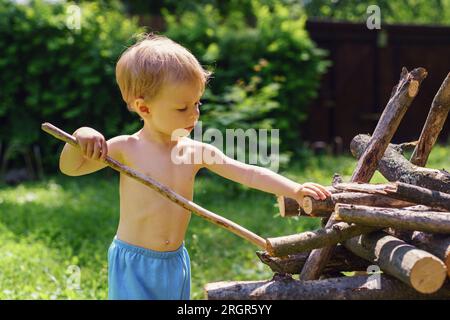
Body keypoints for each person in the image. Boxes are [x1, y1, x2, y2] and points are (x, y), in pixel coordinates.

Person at [59, 34, 331, 300]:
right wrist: (79, 137)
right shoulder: (125, 149)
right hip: (134, 262)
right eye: (182, 108)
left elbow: (248, 172)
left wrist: (294, 189)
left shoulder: (194, 152)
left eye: (197, 103)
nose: (194, 114)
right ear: (144, 108)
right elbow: (72, 168)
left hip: (175, 261)